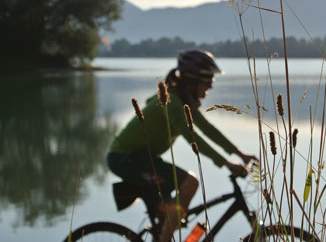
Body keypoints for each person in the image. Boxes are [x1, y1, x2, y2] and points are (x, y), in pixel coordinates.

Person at [107, 49, 257, 242]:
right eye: (208, 80)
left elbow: (208, 130)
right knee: (190, 183)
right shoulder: (171, 102)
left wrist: (240, 154)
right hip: (125, 158)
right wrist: (227, 163)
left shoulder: (184, 102)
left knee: (168, 214)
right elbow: (193, 138)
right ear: (193, 81)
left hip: (144, 159)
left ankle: (162, 236)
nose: (211, 86)